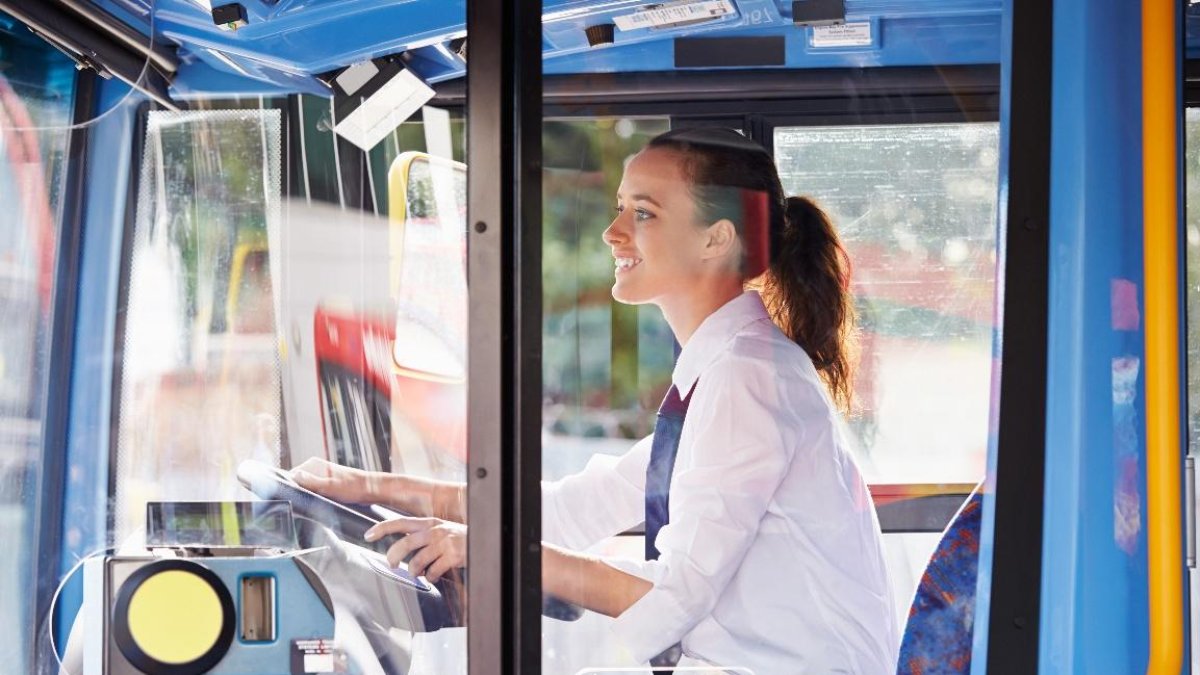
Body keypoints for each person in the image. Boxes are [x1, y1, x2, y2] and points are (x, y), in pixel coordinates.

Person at [294, 127, 899, 673]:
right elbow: (571, 509)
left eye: (644, 213)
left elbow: (676, 591)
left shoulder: (749, 378)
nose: (612, 232)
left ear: (716, 238)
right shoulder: (724, 368)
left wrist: (490, 549)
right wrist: (369, 487)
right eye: (619, 210)